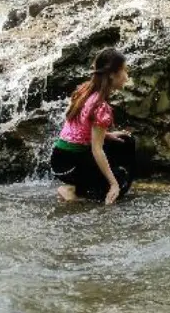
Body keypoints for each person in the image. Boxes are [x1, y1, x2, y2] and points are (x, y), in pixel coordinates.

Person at [50, 47, 136, 204]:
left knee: (126, 141)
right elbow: (97, 150)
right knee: (121, 181)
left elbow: (78, 130)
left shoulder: (85, 90)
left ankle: (86, 184)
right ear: (111, 74)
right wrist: (114, 184)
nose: (126, 76)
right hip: (70, 165)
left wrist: (107, 135)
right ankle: (74, 191)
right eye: (124, 70)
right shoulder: (100, 106)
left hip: (60, 160)